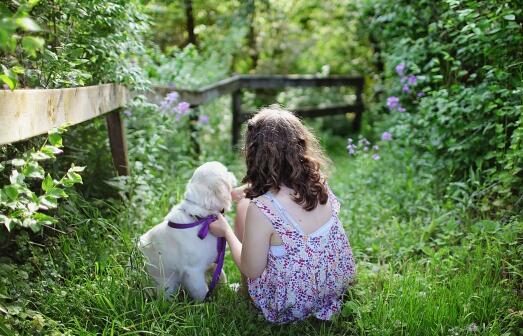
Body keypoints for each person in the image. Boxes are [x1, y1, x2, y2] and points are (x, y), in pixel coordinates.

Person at [210, 106, 355, 323]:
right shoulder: (318, 183)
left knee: (243, 208)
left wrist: (227, 232)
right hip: (333, 287)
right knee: (247, 205)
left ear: (254, 153)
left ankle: (245, 291)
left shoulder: (261, 209)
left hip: (291, 303)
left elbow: (252, 270)